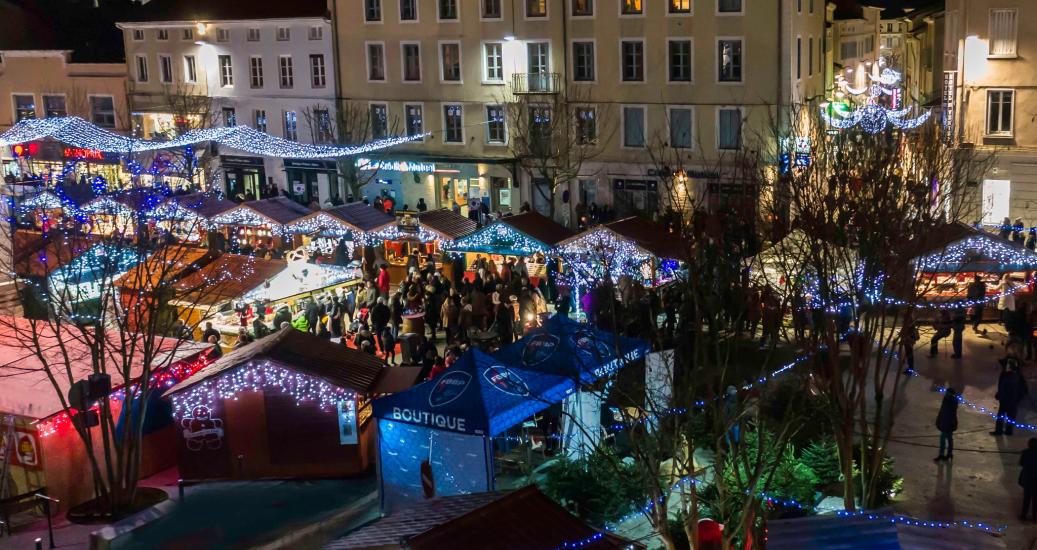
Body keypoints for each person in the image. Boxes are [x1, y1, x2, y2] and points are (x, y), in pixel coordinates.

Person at [993, 359, 1029, 435]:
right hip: (1013, 400)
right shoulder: (1018, 375)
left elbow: (1003, 387)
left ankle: (999, 431)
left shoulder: (1006, 375)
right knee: (1010, 416)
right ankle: (1008, 431)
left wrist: (999, 395)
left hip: (1007, 399)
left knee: (1002, 415)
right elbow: (1024, 388)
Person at [934, 388, 959, 461]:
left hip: (949, 424)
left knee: (948, 439)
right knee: (943, 439)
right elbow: (942, 410)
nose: (946, 393)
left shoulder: (952, 401)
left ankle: (948, 454)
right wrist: (939, 419)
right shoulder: (946, 399)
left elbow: (951, 413)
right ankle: (944, 454)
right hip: (944, 422)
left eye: (947, 392)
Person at [1020, 438, 1037, 521]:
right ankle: (1035, 516)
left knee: (1027, 498)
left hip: (1027, 478)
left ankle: (1024, 514)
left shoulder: (1025, 452)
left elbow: (1021, 463)